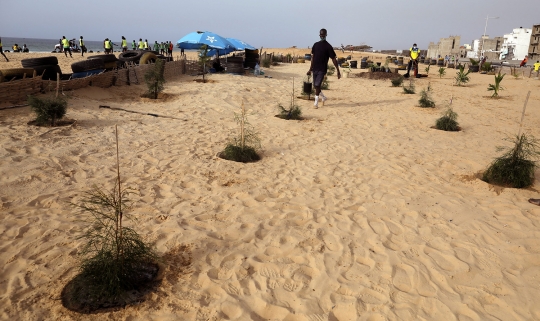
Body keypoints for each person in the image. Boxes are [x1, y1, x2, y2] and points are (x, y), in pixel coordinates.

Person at [307, 28, 341, 109]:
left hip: (322, 69)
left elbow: (333, 59)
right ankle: (324, 97)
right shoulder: (315, 45)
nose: (322, 36)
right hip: (315, 68)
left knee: (317, 84)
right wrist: (310, 69)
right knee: (316, 86)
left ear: (326, 35)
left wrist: (338, 70)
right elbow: (313, 58)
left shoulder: (328, 46)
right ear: (319, 35)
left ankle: (316, 103)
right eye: (321, 35)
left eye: (323, 35)